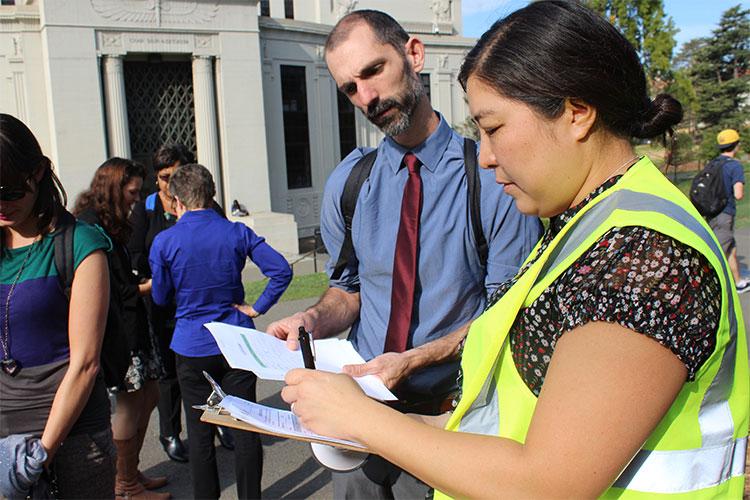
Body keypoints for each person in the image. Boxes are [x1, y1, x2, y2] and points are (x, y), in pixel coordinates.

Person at [281, 2, 749, 498]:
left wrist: (361, 417)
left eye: (494, 128)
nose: (484, 155)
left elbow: (547, 483)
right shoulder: (584, 227)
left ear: (577, 113)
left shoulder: (644, 256)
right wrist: (366, 419)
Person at [266, 9, 542, 499]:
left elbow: (507, 318)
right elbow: (348, 291)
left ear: (413, 54)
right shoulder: (348, 184)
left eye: (373, 71)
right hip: (358, 419)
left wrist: (413, 360)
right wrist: (311, 318)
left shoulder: (493, 180)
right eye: (350, 88)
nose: (367, 98)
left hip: (449, 419)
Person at [149, 163, 292, 500]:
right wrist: (257, 307)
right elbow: (281, 270)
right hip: (235, 341)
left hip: (192, 343)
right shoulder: (236, 232)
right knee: (245, 430)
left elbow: (160, 296)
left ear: (177, 201)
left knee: (200, 435)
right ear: (212, 196)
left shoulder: (165, 240)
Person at [0, 113, 116, 498]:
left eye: (11, 191)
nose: (1, 205)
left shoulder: (79, 243)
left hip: (71, 439)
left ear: (38, 173)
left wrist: (40, 455)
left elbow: (85, 363)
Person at [128, 143, 233, 461]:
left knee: (214, 367)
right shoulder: (146, 208)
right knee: (170, 374)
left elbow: (224, 242)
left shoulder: (207, 206)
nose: (170, 183)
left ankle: (219, 420)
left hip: (205, 303)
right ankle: (171, 432)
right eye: (163, 177)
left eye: (177, 175)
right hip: (163, 304)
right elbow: (136, 254)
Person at [74, 158, 169, 500]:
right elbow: (107, 288)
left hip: (133, 325)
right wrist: (147, 286)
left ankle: (131, 471)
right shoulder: (89, 228)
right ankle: (124, 484)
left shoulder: (106, 222)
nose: (136, 197)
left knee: (151, 395)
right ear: (114, 188)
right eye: (132, 191)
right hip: (120, 331)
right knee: (130, 404)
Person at [707, 128, 748, 294]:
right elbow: (738, 194)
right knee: (718, 253)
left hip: (711, 212)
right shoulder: (734, 166)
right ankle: (712, 288)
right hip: (725, 212)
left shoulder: (712, 163)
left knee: (731, 247)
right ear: (736, 145)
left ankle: (738, 282)